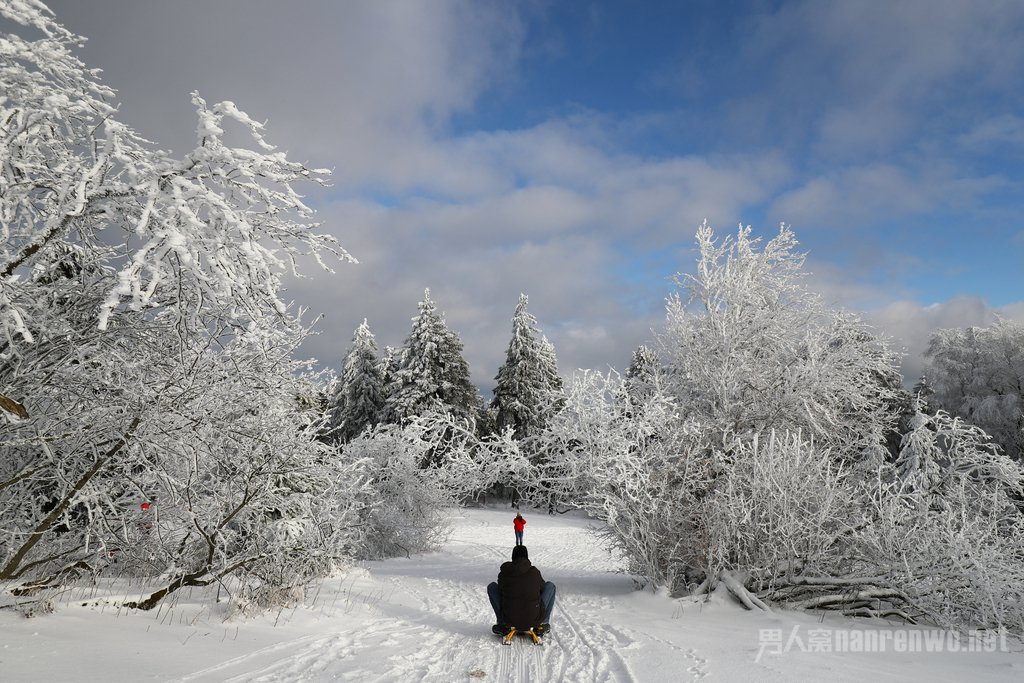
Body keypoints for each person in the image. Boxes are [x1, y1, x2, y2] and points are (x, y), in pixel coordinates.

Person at [487, 545, 556, 636]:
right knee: (550, 586)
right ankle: (543, 623)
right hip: (534, 617)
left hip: (509, 618)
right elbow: (542, 588)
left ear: (513, 557)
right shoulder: (534, 572)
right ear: (526, 557)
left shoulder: (505, 572)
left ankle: (502, 623)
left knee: (492, 587)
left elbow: (500, 590)